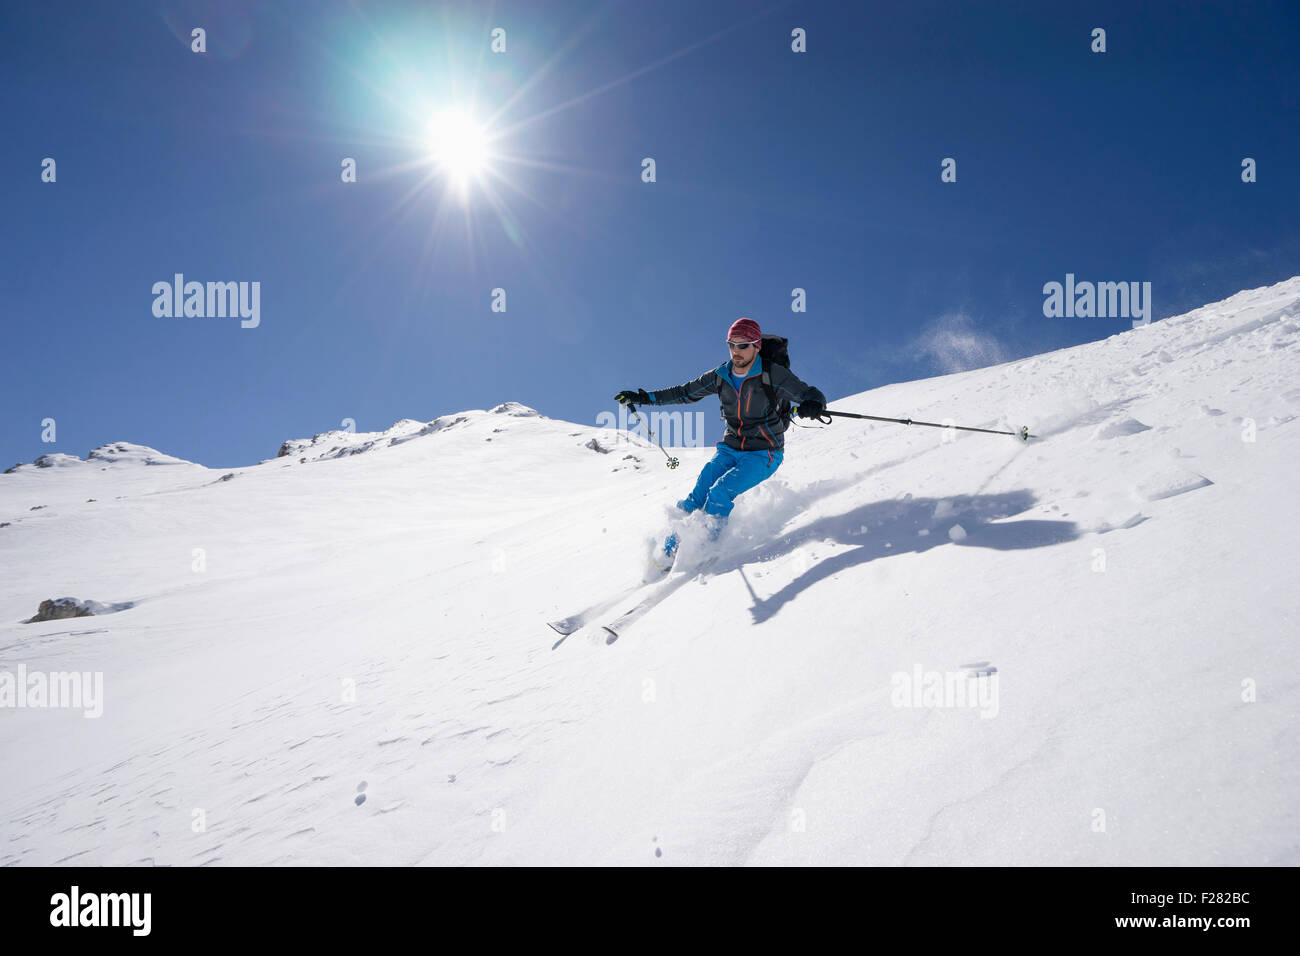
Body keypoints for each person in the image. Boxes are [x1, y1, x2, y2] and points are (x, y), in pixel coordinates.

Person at [615, 317, 827, 563]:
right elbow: (685, 392)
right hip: (730, 448)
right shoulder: (721, 375)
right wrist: (645, 398)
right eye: (732, 345)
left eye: (743, 345)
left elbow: (808, 392)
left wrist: (814, 403)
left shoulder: (771, 374)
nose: (736, 351)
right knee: (698, 495)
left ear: (757, 346)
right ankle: (666, 556)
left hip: (765, 452)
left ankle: (704, 552)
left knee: (719, 493)